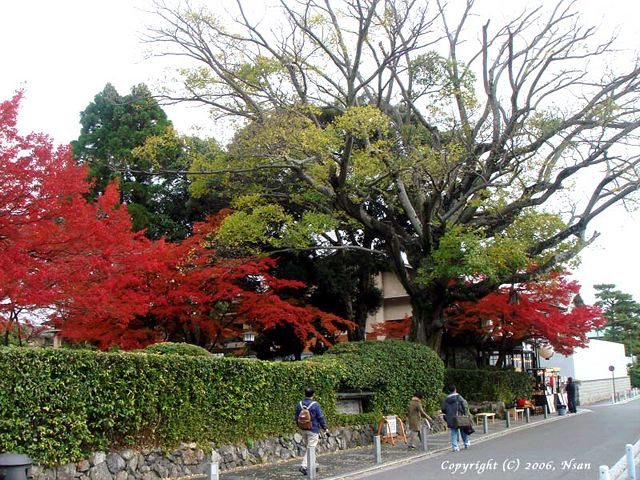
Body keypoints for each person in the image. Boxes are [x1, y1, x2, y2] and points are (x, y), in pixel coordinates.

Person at [295, 388, 329, 476]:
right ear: (313, 394)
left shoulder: (299, 404)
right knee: (311, 448)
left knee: (309, 447)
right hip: (313, 429)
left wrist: (299, 426)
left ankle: (314, 465)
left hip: (303, 429)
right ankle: (304, 466)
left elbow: (296, 417)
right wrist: (325, 428)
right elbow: (320, 417)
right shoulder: (315, 405)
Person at [441, 385, 470, 452]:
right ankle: (466, 443)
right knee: (463, 430)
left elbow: (443, 409)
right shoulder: (459, 397)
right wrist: (465, 414)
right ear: (455, 389)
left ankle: (455, 446)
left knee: (454, 431)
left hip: (451, 418)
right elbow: (464, 406)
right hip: (459, 416)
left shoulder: (446, 399)